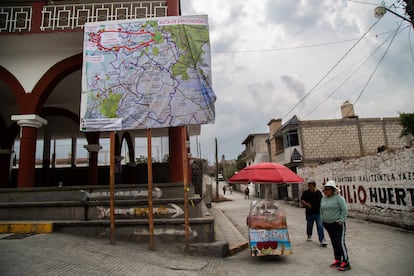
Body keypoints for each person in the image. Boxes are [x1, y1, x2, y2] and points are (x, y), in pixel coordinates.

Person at [321, 180, 351, 271]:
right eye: (325, 189)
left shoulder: (339, 198)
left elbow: (344, 210)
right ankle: (338, 260)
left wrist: (341, 221)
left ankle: (346, 262)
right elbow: (321, 210)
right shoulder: (323, 199)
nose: (326, 191)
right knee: (334, 243)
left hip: (338, 225)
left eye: (328, 189)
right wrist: (323, 220)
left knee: (340, 242)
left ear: (333, 190)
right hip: (328, 224)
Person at [300, 180, 327, 247]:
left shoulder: (318, 193)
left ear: (314, 186)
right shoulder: (306, 193)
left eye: (311, 186)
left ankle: (322, 240)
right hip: (309, 213)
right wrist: (306, 204)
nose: (310, 187)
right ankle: (309, 235)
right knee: (309, 225)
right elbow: (302, 200)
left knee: (320, 226)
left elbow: (322, 201)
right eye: (309, 186)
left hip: (318, 213)